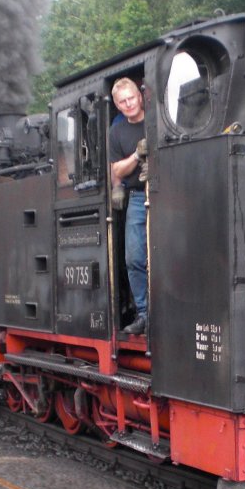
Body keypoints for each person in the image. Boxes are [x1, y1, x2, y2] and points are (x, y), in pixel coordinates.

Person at [109, 77, 149, 336]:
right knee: (133, 257)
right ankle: (145, 314)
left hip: (165, 191)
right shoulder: (117, 132)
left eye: (131, 98)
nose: (128, 104)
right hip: (136, 195)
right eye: (123, 101)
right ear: (117, 105)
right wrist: (137, 155)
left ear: (140, 96)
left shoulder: (157, 120)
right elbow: (117, 169)